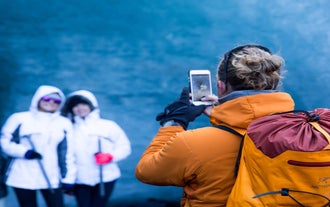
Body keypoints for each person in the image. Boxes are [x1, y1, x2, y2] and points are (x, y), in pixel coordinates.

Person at [135, 44, 295, 207]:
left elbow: (146, 171)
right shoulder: (304, 135)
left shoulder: (193, 143)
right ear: (274, 84)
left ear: (221, 86)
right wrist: (222, 114)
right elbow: (251, 125)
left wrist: (174, 122)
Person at [0, 85, 77, 207]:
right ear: (39, 98)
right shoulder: (19, 118)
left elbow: (67, 153)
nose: (51, 102)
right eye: (47, 99)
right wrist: (24, 152)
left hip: (51, 175)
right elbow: (4, 141)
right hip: (22, 174)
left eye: (56, 101)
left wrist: (68, 179)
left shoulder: (63, 123)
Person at [61, 90, 131, 207]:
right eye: (76, 105)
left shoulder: (108, 126)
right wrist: (68, 180)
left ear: (91, 105)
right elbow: (66, 155)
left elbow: (125, 147)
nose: (80, 108)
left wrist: (110, 156)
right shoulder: (68, 128)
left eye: (83, 104)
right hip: (80, 179)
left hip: (105, 177)